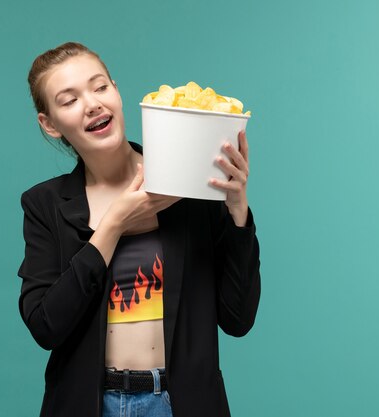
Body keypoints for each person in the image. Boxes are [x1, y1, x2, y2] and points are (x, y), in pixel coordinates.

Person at [17, 41, 261, 417]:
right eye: (69, 100)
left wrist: (237, 210)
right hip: (90, 405)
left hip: (180, 403)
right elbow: (46, 326)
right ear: (49, 124)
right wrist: (113, 225)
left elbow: (238, 319)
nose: (93, 104)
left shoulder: (188, 186)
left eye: (100, 87)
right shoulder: (44, 205)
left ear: (116, 90)